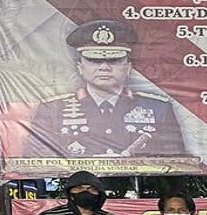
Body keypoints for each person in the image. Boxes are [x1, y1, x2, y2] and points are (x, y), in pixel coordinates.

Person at [26, 20, 186, 158]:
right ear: (80, 67)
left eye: (114, 60)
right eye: (94, 60)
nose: (104, 67)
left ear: (128, 67)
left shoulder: (158, 109)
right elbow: (36, 159)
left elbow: (176, 162)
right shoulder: (52, 110)